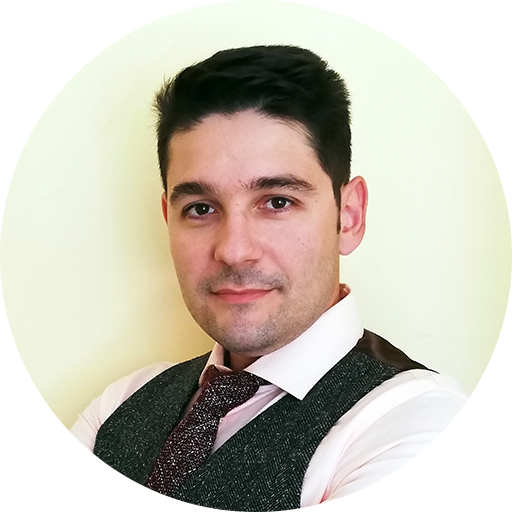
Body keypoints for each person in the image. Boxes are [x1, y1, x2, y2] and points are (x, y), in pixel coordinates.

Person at [71, 45, 484, 511]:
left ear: (348, 216)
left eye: (277, 202)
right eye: (201, 209)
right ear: (169, 219)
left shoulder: (424, 428)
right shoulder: (118, 407)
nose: (234, 250)